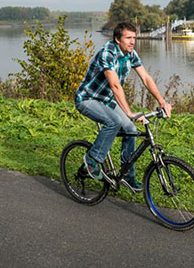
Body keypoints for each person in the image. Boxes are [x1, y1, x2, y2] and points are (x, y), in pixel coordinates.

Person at [74, 21, 172, 191]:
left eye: (134, 37)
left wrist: (162, 101)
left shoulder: (130, 54)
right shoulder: (108, 53)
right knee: (114, 122)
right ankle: (92, 159)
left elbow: (146, 78)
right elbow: (115, 86)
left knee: (131, 130)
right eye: (128, 38)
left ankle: (127, 175)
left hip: (106, 100)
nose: (132, 41)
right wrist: (129, 112)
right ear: (118, 39)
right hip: (87, 99)